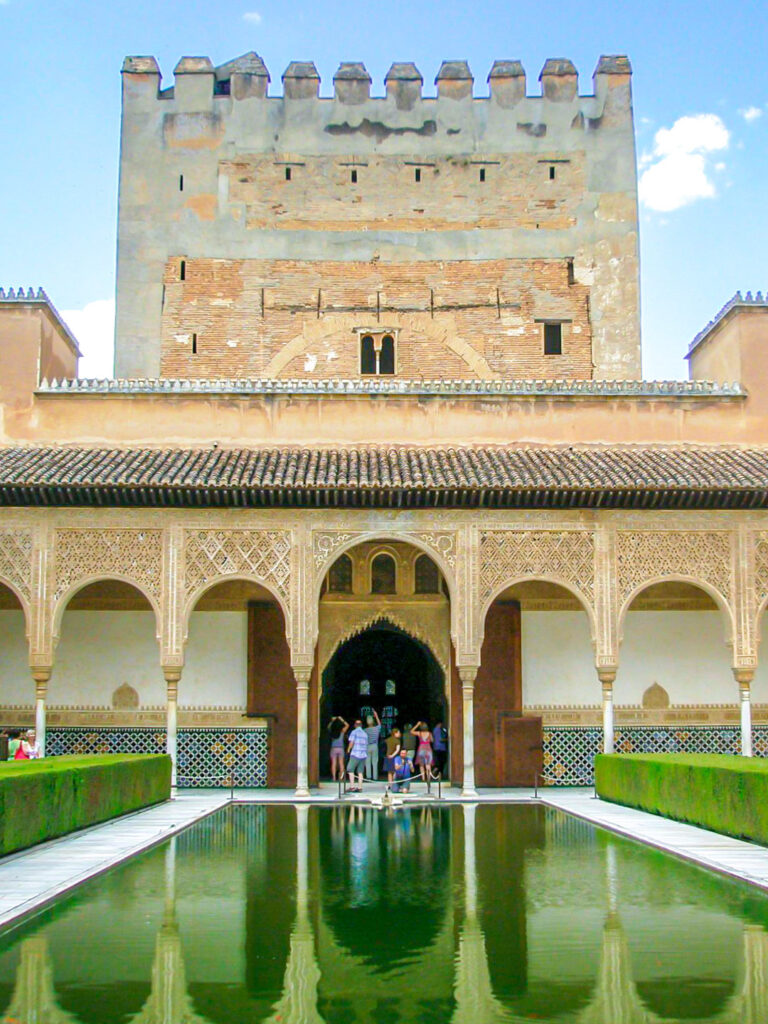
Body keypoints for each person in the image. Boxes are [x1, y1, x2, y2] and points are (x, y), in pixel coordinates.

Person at [346, 718, 368, 792]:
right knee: (360, 772)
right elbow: (366, 744)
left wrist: (348, 749)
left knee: (350, 769)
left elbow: (351, 742)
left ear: (355, 725)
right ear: (361, 725)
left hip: (355, 753)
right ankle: (360, 787)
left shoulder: (354, 732)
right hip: (363, 754)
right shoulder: (365, 734)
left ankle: (352, 786)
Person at [327, 716, 349, 781]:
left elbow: (328, 727)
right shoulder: (342, 731)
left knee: (333, 763)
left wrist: (332, 721)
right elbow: (347, 725)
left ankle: (334, 778)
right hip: (341, 748)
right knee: (341, 763)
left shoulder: (332, 731)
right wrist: (341, 719)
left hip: (333, 748)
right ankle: (341, 778)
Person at [364, 710, 382, 780]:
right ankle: (375, 777)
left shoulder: (365, 730)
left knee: (367, 762)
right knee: (375, 762)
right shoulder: (376, 729)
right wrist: (376, 716)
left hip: (367, 746)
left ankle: (368, 776)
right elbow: (380, 724)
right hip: (374, 746)